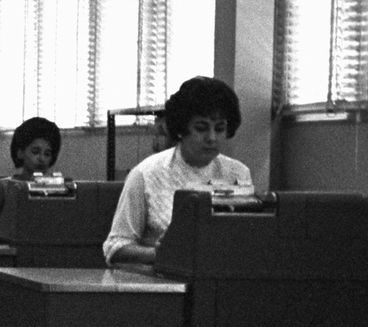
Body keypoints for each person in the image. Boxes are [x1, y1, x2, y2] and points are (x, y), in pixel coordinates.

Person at [103, 76, 254, 265]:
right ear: (182, 129)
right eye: (201, 128)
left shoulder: (238, 173)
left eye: (220, 128)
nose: (212, 137)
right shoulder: (145, 174)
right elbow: (115, 247)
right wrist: (163, 254)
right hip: (163, 281)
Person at [0, 117, 61, 237]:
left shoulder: (55, 188)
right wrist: (10, 230)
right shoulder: (5, 185)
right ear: (20, 152)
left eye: (47, 154)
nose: (41, 159)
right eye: (35, 152)